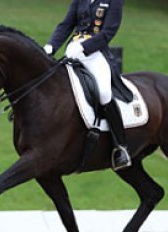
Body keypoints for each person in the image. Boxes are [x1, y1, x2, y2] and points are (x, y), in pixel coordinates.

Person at [44, 0, 131, 171]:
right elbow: (66, 25)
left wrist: (85, 47)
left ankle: (120, 147)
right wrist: (50, 46)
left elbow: (108, 32)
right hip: (73, 51)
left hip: (96, 53)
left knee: (105, 93)